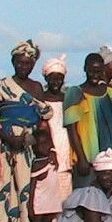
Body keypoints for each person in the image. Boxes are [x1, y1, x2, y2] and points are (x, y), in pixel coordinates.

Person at [0, 39, 53, 222]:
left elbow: (43, 119)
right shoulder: (0, 86)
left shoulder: (36, 88)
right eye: (20, 62)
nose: (24, 66)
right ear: (13, 62)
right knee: (6, 192)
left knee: (28, 193)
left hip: (29, 145)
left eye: (28, 63)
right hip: (5, 145)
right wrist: (7, 137)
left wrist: (39, 142)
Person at [64, 53, 112, 188]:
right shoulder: (75, 93)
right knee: (86, 199)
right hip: (88, 159)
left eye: (98, 71)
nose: (95, 75)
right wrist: (81, 158)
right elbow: (71, 129)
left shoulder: (110, 93)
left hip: (110, 160)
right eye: (91, 71)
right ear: (85, 69)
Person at [41, 54, 73, 201]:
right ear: (46, 79)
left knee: (65, 194)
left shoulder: (68, 100)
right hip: (47, 150)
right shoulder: (40, 100)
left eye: (59, 78)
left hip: (66, 149)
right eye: (52, 78)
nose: (56, 82)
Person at [28, 129, 64, 222]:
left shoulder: (53, 159)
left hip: (52, 200)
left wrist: (53, 154)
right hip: (40, 202)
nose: (42, 147)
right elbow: (32, 188)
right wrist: (30, 206)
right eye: (39, 145)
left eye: (45, 144)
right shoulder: (37, 164)